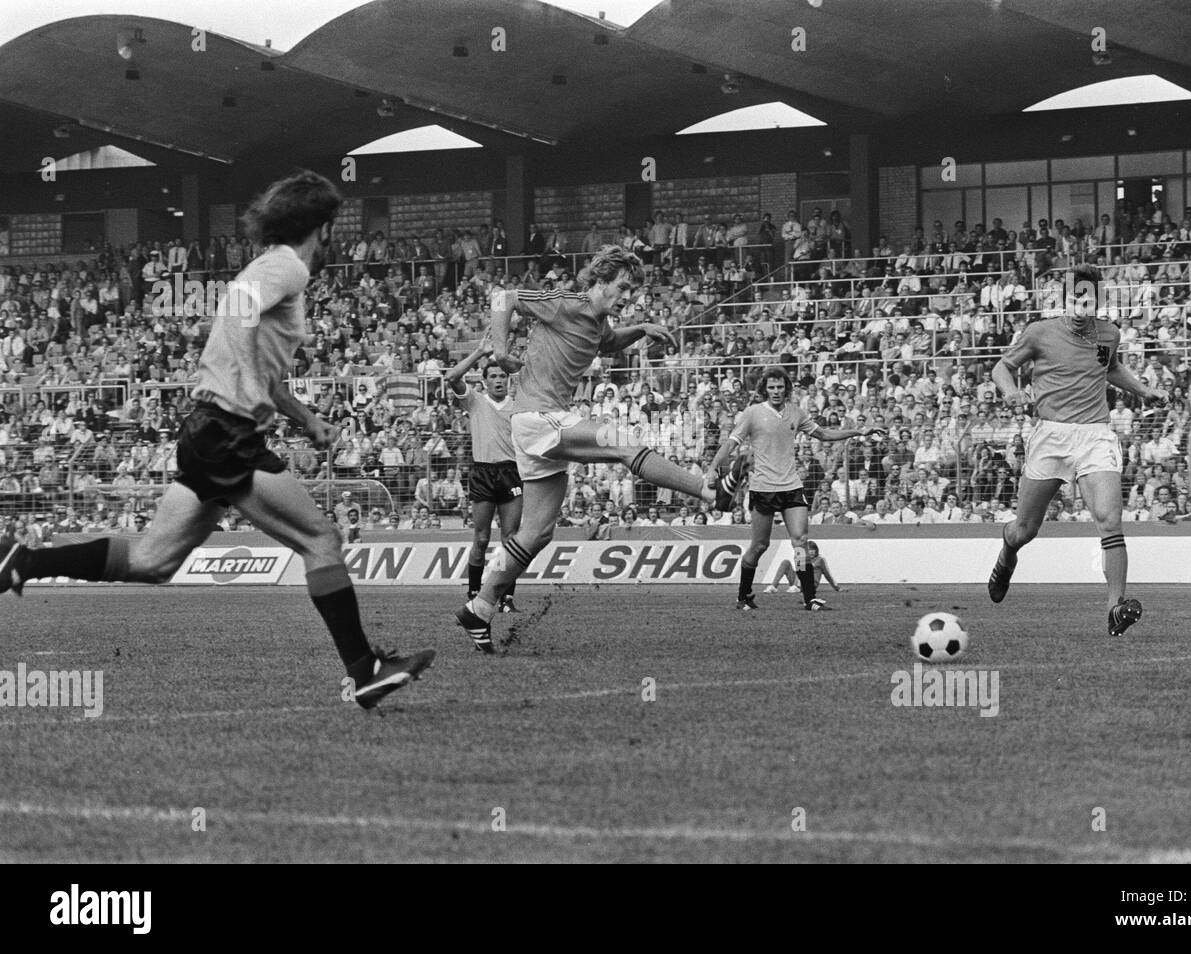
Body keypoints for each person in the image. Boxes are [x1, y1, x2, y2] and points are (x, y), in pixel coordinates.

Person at [0, 170, 434, 710]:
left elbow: (259, 356)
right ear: (322, 227)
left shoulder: (273, 265)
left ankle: (21, 561)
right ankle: (364, 669)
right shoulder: (287, 265)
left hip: (211, 428)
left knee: (152, 563)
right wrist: (247, 382)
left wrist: (306, 418)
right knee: (320, 540)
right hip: (228, 431)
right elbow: (242, 306)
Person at [453, 245, 716, 652]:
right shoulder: (566, 303)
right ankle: (707, 490)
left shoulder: (598, 322)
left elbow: (608, 342)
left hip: (540, 427)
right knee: (622, 442)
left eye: (633, 291)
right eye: (623, 287)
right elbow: (503, 298)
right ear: (601, 279)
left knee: (536, 533)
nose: (628, 296)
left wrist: (643, 328)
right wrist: (501, 348)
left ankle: (481, 607)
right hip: (538, 418)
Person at [986, 264, 1167, 637]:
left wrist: (1143, 390)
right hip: (1050, 435)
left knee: (1109, 520)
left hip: (1095, 435)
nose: (1083, 304)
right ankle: (1007, 557)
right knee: (1024, 529)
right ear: (1065, 297)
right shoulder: (1039, 332)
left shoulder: (1109, 333)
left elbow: (1110, 368)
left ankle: (1115, 608)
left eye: (1089, 298)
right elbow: (1002, 368)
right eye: (1076, 297)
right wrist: (1011, 391)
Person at [708, 365, 874, 611]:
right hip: (763, 488)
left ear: (787, 389)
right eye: (771, 387)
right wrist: (713, 467)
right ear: (765, 389)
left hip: (792, 486)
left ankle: (810, 599)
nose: (776, 391)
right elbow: (731, 443)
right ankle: (743, 595)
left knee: (801, 540)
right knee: (759, 545)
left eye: (780, 387)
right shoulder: (753, 413)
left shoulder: (796, 412)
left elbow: (824, 434)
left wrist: (858, 431)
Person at [445, 336, 522, 614]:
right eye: (493, 376)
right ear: (485, 380)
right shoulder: (475, 401)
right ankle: (475, 592)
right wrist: (479, 351)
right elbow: (452, 377)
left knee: (511, 538)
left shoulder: (518, 405)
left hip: (511, 472)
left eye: (503, 376)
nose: (499, 380)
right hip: (483, 472)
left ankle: (506, 597)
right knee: (480, 538)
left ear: (508, 380)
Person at [763, 539, 840, 596]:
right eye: (809, 550)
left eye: (813, 550)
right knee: (786, 562)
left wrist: (837, 588)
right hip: (799, 580)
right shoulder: (803, 557)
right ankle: (773, 586)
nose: (811, 552)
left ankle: (796, 586)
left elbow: (828, 574)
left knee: (802, 566)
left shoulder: (820, 559)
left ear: (816, 550)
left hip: (811, 583)